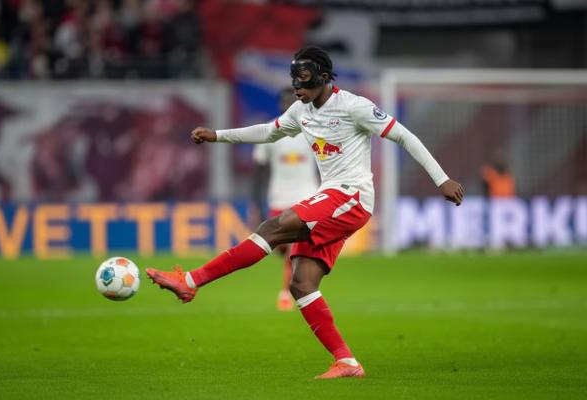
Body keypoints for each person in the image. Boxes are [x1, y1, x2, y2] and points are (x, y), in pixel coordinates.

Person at [146, 46, 465, 379]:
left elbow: (404, 136)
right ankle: (347, 362)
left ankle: (191, 281)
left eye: (303, 78)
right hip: (332, 198)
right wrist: (217, 136)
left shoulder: (354, 106)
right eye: (293, 79)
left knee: (272, 227)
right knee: (301, 283)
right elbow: (268, 131)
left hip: (351, 196)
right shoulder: (301, 111)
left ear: (323, 77)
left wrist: (441, 179)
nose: (297, 86)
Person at [251, 87, 319, 311]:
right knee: (280, 248)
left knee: (293, 248)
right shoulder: (270, 132)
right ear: (280, 104)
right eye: (285, 100)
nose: (289, 104)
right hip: (278, 198)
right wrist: (256, 203)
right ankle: (290, 276)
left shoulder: (312, 129)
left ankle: (285, 293)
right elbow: (258, 171)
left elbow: (324, 163)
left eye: (294, 100)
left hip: (306, 196)